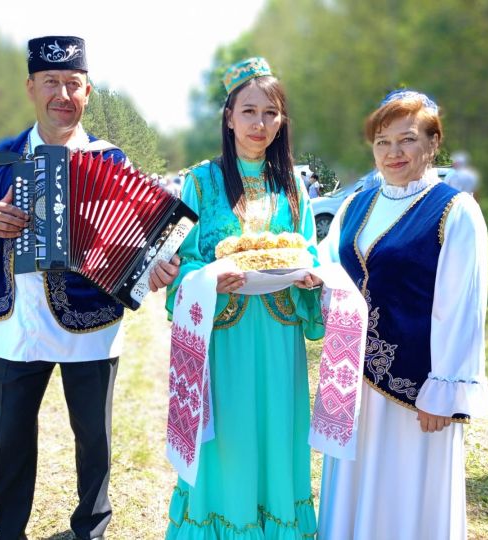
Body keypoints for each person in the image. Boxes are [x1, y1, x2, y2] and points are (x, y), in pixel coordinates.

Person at [0, 35, 179, 540]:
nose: (63, 94)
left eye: (73, 84)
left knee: (93, 440)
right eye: (51, 82)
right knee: (10, 439)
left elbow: (146, 239)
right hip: (17, 324)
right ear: (31, 87)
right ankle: (8, 533)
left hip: (91, 324)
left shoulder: (111, 160)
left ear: (88, 91)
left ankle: (91, 530)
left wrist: (157, 268)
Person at [317, 89, 488, 540]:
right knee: (356, 485)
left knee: (406, 492)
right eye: (382, 141)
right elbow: (330, 268)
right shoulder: (357, 205)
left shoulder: (455, 211)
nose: (393, 153)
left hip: (416, 390)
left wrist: (445, 391)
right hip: (352, 380)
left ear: (433, 143)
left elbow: (462, 307)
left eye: (407, 139)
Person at [164, 57, 323, 539]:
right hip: (223, 338)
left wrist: (309, 275)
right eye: (249, 111)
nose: (260, 123)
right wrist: (207, 278)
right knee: (228, 444)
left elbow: (308, 247)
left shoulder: (293, 184)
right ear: (228, 116)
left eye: (271, 113)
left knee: (278, 437)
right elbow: (180, 262)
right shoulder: (200, 182)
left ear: (282, 121)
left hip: (279, 335)